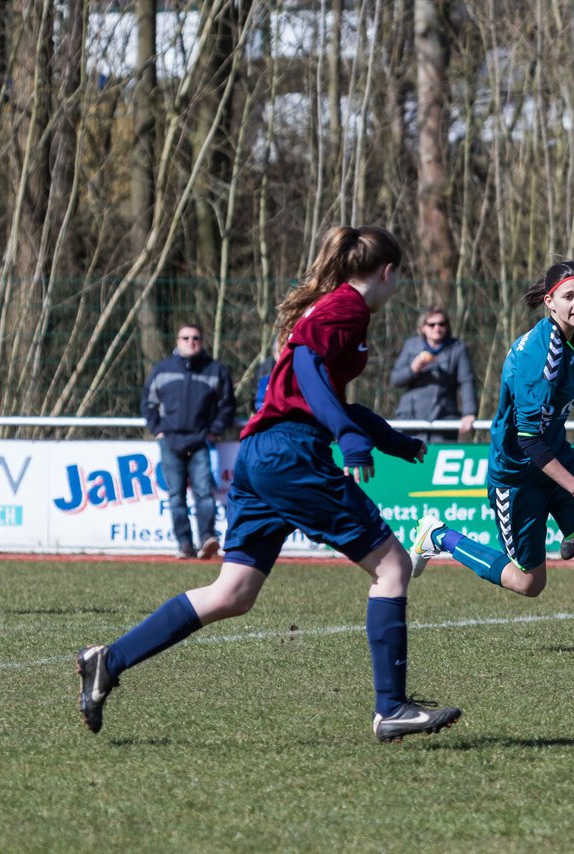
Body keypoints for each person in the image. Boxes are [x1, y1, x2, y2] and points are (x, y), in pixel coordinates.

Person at [79, 225, 462, 743]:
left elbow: (329, 396)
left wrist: (391, 441)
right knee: (393, 566)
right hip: (290, 453)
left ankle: (110, 659)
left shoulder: (332, 307)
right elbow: (306, 367)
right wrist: (349, 439)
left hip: (262, 453)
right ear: (388, 272)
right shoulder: (346, 308)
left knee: (233, 592)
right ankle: (391, 707)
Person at [407, 260, 574, 655]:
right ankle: (438, 536)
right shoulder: (537, 356)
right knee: (529, 583)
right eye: (569, 296)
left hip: (558, 458)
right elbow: (529, 441)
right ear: (550, 302)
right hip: (517, 474)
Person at [141, 324, 236, 560]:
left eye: (195, 338)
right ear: (177, 340)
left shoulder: (215, 370)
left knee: (204, 493)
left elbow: (228, 405)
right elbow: (148, 403)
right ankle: (184, 544)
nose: (190, 341)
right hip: (170, 442)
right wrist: (158, 430)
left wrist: (214, 431)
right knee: (176, 497)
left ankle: (207, 539)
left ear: (202, 341)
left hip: (201, 441)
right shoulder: (161, 370)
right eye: (185, 337)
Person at [389, 306, 477, 443]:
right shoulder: (411, 346)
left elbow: (466, 382)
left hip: (443, 419)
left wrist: (469, 413)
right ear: (423, 327)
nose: (437, 328)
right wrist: (413, 369)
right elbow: (395, 380)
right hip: (410, 419)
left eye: (442, 324)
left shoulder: (458, 348)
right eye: (432, 324)